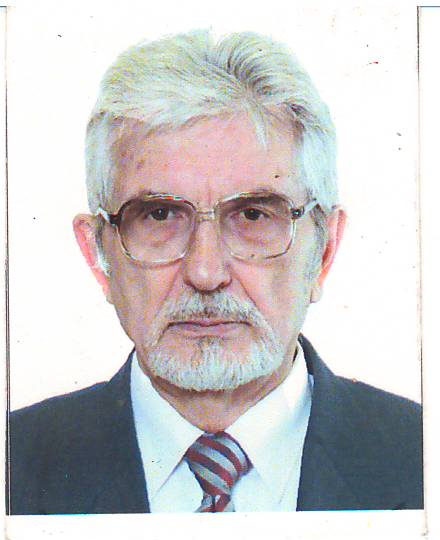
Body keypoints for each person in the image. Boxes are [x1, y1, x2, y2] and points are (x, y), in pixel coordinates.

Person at [8, 29, 423, 514]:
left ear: (325, 251)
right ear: (98, 253)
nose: (205, 272)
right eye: (160, 216)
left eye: (253, 216)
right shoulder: (14, 468)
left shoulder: (420, 460)